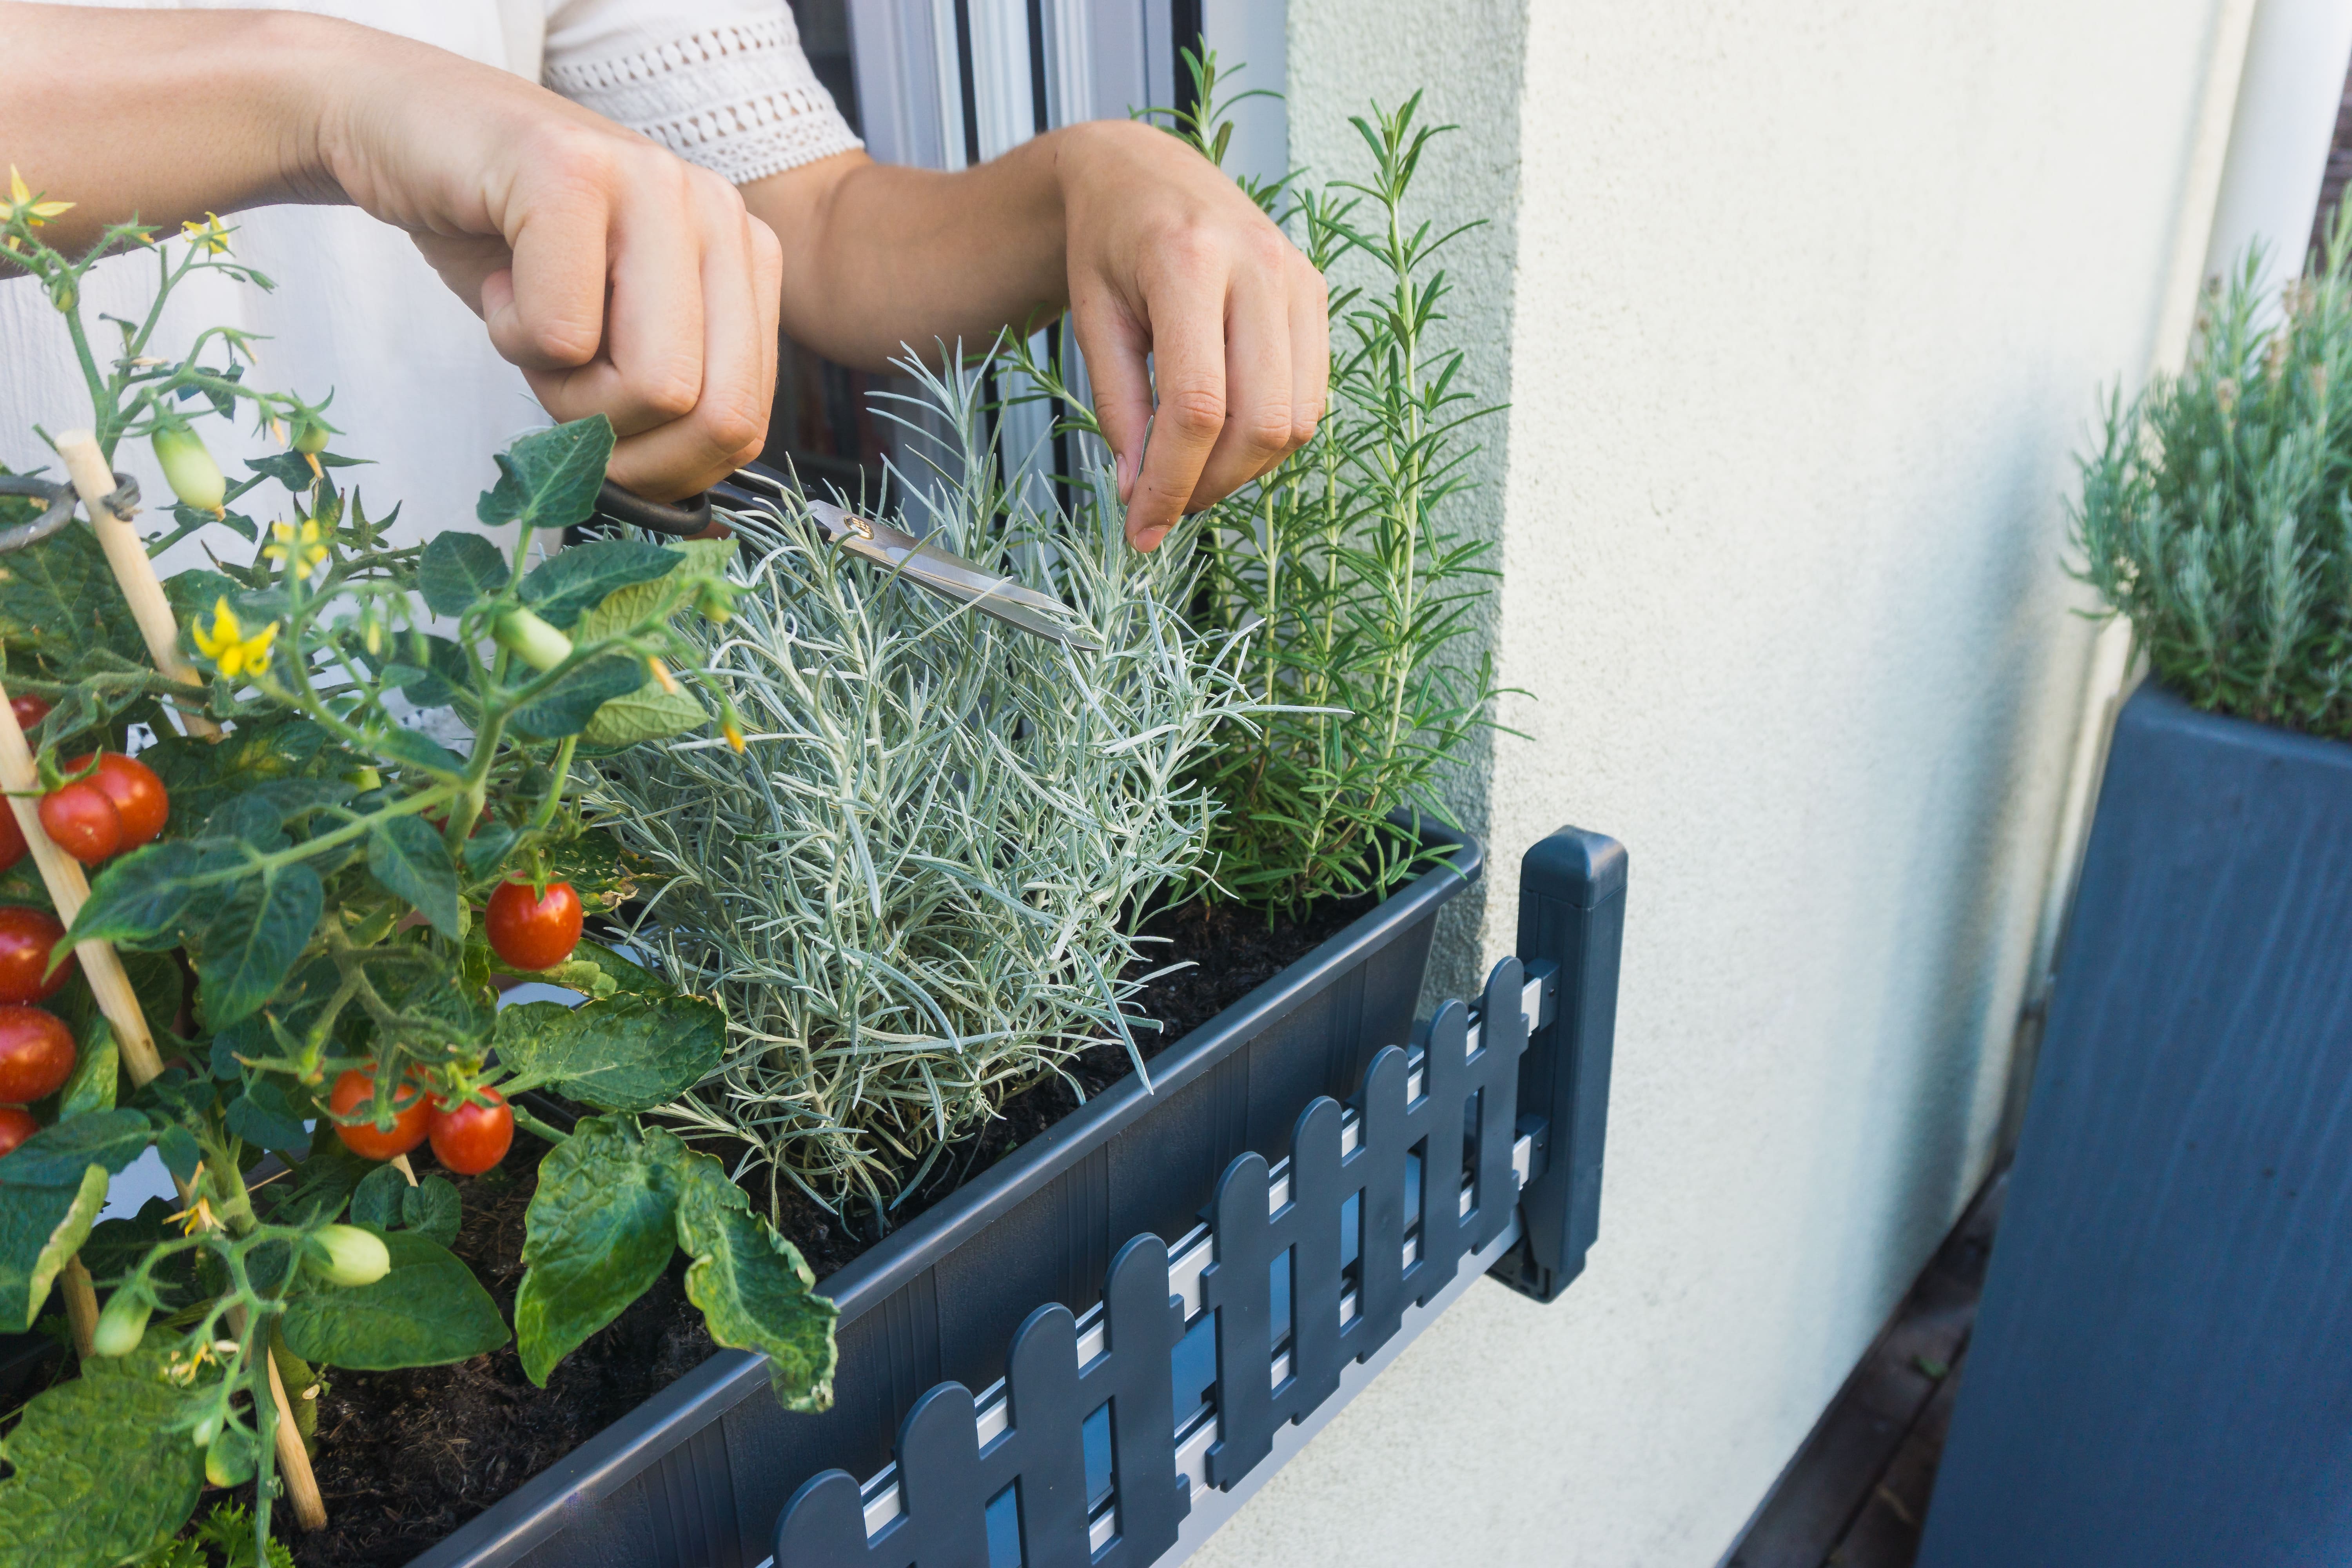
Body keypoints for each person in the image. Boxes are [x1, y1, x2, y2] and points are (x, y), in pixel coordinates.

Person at [0, 0, 1328, 551]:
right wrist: (325, 95)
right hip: (75, 764)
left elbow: (812, 219)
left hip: (458, 731)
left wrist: (1090, 181)